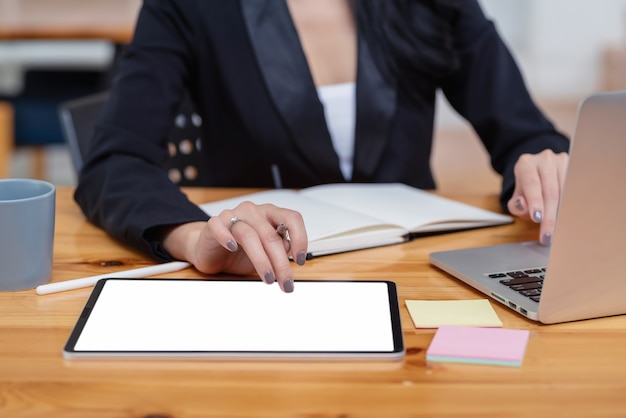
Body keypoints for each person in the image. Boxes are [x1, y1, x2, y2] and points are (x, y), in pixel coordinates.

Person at [75, 0, 570, 293]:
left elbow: (527, 132)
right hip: (264, 283)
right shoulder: (190, 7)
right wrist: (194, 239)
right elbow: (113, 160)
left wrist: (541, 163)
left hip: (415, 277)